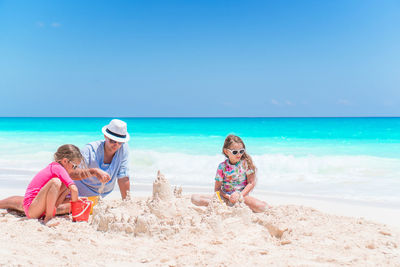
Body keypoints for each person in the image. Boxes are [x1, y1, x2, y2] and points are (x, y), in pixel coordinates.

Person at [0, 119, 131, 214]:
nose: (116, 145)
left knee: (60, 207)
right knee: (39, 206)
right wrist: (94, 172)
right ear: (105, 136)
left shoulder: (123, 150)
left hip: (93, 196)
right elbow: (72, 175)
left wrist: (126, 202)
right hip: (72, 192)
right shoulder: (89, 150)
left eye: (120, 142)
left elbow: (123, 176)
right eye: (113, 140)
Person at [191, 134, 267, 212]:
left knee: (263, 207)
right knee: (195, 198)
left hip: (242, 196)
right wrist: (228, 197)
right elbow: (217, 189)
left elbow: (251, 183)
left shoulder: (246, 164)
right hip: (225, 197)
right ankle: (225, 205)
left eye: (241, 151)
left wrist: (239, 195)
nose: (239, 154)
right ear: (226, 151)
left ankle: (239, 205)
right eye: (235, 152)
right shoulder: (222, 167)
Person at [23, 144, 82, 225]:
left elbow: (70, 190)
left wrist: (76, 200)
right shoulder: (57, 167)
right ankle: (48, 218)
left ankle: (49, 212)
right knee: (56, 182)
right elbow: (74, 189)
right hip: (31, 208)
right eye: (74, 166)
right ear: (64, 161)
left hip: (39, 207)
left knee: (66, 186)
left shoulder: (57, 168)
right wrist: (76, 212)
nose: (74, 170)